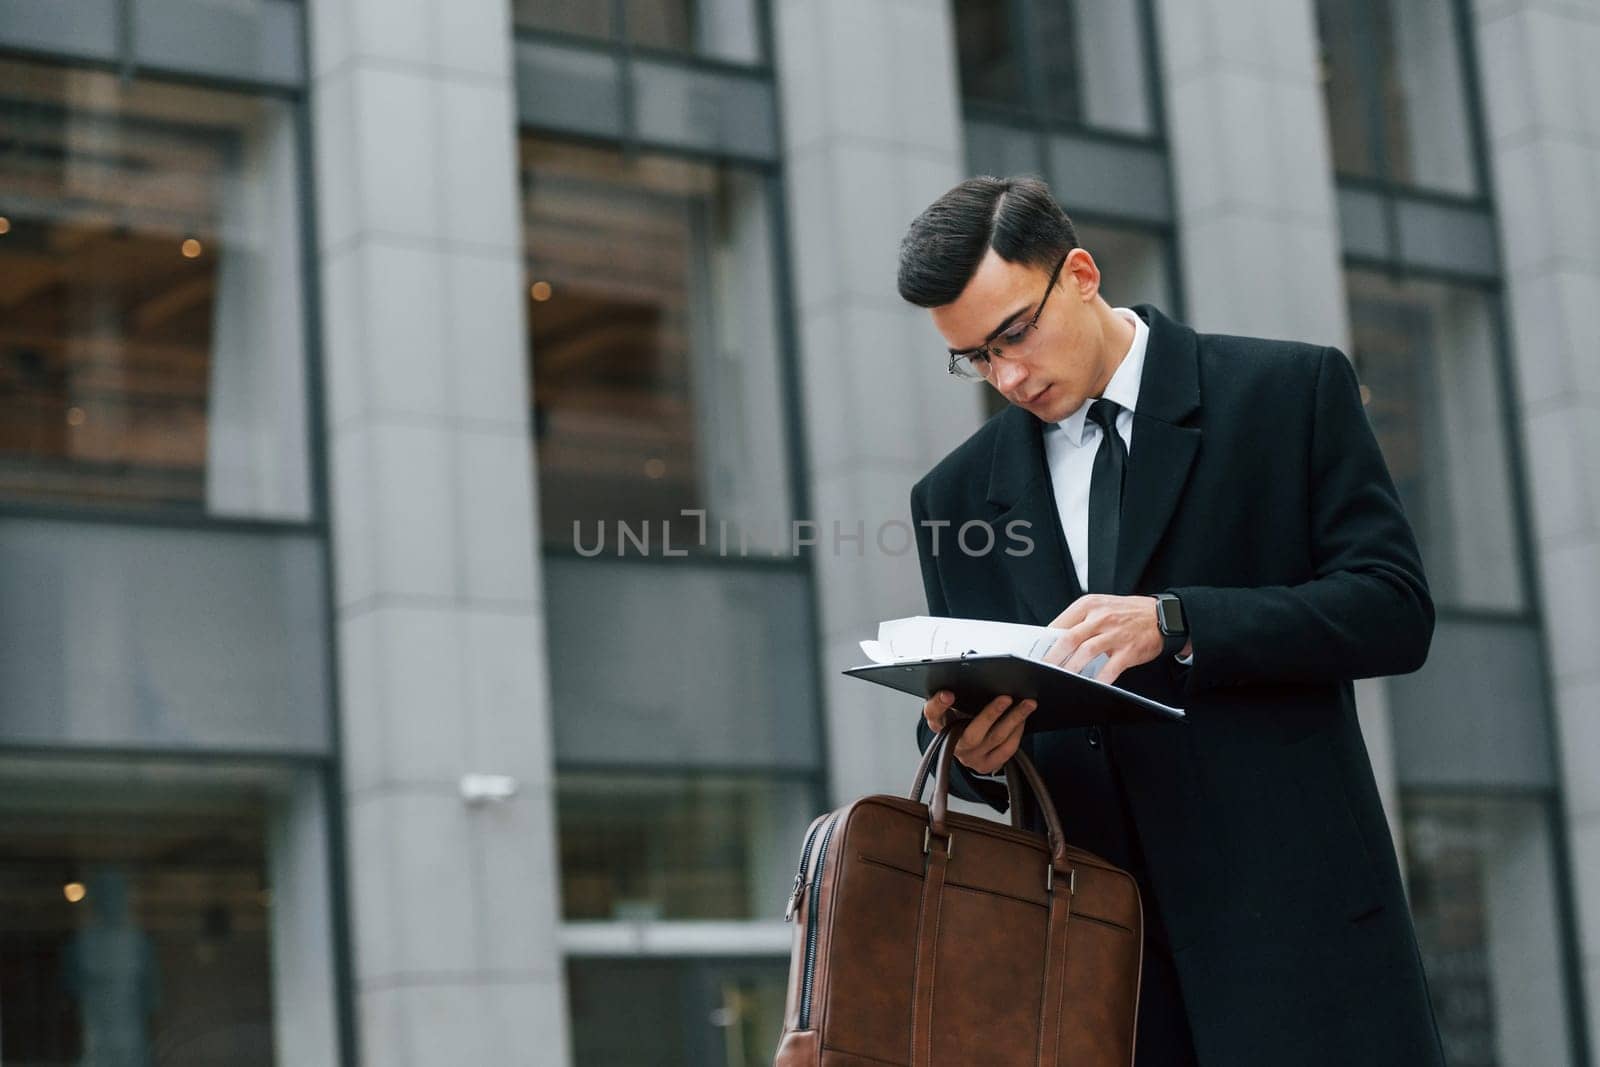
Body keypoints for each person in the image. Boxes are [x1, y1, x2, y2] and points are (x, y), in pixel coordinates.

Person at [900, 176, 1443, 1066]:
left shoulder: (1286, 392)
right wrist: (974, 752)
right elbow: (990, 713)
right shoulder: (953, 495)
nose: (1008, 377)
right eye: (974, 358)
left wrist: (1178, 623)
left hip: (1298, 941)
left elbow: (1394, 608)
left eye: (1013, 335)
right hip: (1098, 969)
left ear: (1079, 272)